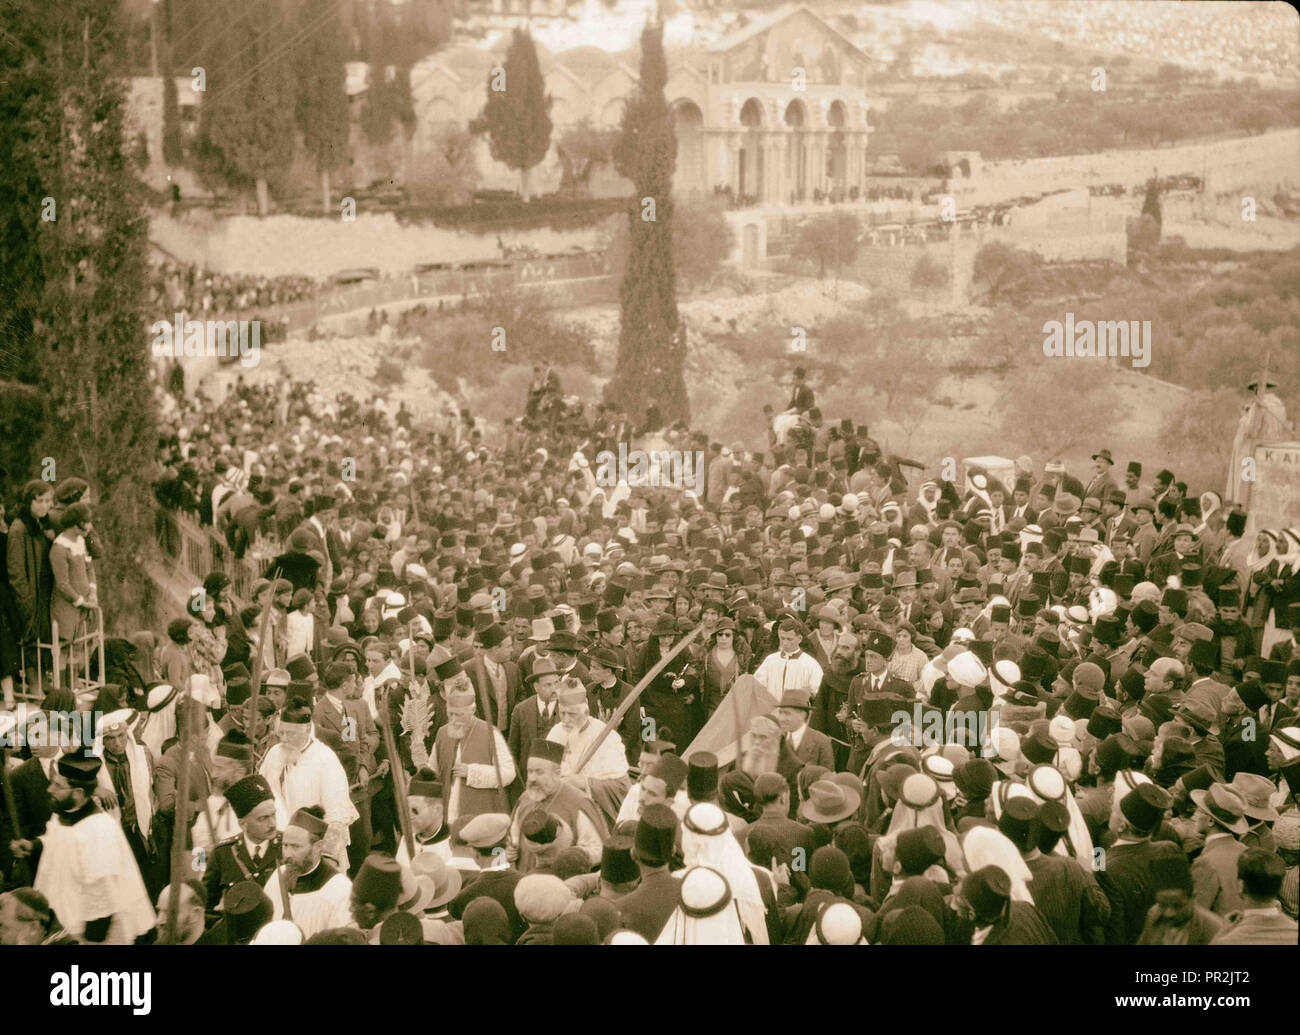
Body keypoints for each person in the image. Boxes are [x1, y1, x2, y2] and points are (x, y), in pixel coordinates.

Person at [20, 747, 155, 944]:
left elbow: (102, 903)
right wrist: (33, 846)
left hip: (89, 933)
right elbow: (56, 841)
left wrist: (88, 942)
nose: (50, 790)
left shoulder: (98, 831)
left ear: (78, 793)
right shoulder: (63, 811)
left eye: (58, 786)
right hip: (63, 922)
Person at [259, 701, 357, 867]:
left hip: (314, 852)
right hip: (279, 849)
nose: (284, 739)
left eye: (291, 734)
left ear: (307, 729)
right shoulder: (275, 753)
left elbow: (337, 818)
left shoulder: (325, 759)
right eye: (281, 733)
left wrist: (326, 860)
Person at [546, 677, 631, 828]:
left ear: (586, 709)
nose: (565, 720)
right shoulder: (555, 732)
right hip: (561, 813)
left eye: (571, 714)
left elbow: (621, 787)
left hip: (594, 817)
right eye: (562, 713)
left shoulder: (606, 737)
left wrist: (583, 783)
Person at [509, 740, 605, 869]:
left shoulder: (578, 802)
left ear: (557, 773)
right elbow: (512, 838)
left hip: (563, 882)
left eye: (539, 772)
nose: (532, 778)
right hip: (525, 880)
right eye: (530, 771)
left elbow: (597, 849)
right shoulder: (525, 798)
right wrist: (509, 849)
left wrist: (569, 858)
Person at [262, 806, 353, 940]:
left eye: (295, 847)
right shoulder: (278, 875)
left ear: (318, 847)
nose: (287, 854)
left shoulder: (339, 888)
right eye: (285, 845)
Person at [202, 773, 282, 910]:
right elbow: (206, 905)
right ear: (243, 824)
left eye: (273, 815)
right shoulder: (223, 853)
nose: (272, 823)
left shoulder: (287, 846)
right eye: (263, 818)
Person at [1210, 848, 1300, 944]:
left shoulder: (1228, 940)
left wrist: (1222, 933)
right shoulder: (1294, 933)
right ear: (1279, 885)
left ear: (1241, 885)